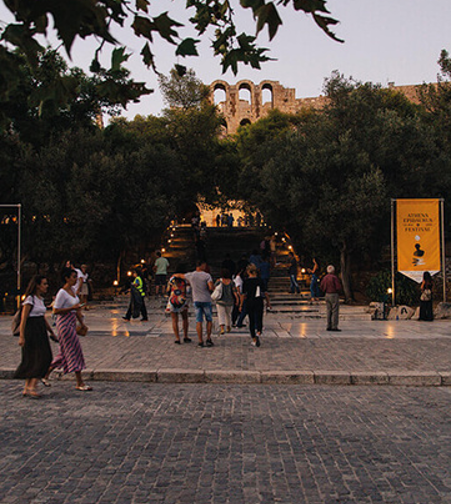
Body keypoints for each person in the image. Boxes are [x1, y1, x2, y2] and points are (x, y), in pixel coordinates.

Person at [45, 268, 91, 391]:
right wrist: (72, 308)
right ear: (67, 278)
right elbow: (56, 310)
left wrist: (82, 323)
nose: (76, 279)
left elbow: (76, 309)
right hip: (64, 324)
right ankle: (79, 381)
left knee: (65, 352)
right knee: (74, 349)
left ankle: (46, 373)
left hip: (72, 322)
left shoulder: (73, 291)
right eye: (73, 277)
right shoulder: (62, 293)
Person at [14, 275, 56, 398]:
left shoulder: (40, 299)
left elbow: (42, 318)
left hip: (40, 330)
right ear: (37, 285)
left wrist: (51, 331)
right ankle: (32, 385)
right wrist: (22, 336)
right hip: (31, 331)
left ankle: (27, 387)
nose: (46, 286)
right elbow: (23, 319)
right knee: (39, 357)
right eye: (44, 284)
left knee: (39, 357)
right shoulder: (29, 299)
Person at [173, 261, 214, 347]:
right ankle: (208, 339)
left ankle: (200, 341)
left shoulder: (191, 275)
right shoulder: (207, 276)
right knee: (209, 320)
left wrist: (173, 276)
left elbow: (180, 275)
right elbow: (211, 287)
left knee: (199, 321)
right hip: (206, 299)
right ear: (202, 265)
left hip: (196, 299)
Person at [241, 264, 272, 347]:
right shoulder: (260, 280)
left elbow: (243, 294)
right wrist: (268, 302)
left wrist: (241, 304)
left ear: (248, 272)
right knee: (259, 318)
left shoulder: (246, 282)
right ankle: (258, 331)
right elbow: (265, 292)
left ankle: (254, 338)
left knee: (251, 320)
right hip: (258, 301)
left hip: (249, 301)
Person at [166, 264, 191, 344]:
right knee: (185, 318)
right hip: (182, 300)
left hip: (173, 300)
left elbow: (168, 290)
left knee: (174, 320)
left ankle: (177, 338)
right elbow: (188, 290)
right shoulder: (186, 278)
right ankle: (185, 336)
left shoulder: (172, 278)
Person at [214, 268, 239, 335]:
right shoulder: (231, 282)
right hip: (229, 301)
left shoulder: (219, 281)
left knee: (221, 314)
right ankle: (228, 326)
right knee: (228, 314)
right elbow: (234, 291)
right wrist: (237, 299)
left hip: (220, 300)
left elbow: (214, 288)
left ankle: (222, 328)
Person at [320, 265, 342, 332]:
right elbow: (338, 287)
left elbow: (322, 286)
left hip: (327, 294)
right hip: (333, 294)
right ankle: (334, 326)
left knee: (328, 310)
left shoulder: (325, 278)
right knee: (335, 310)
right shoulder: (334, 277)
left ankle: (328, 325)